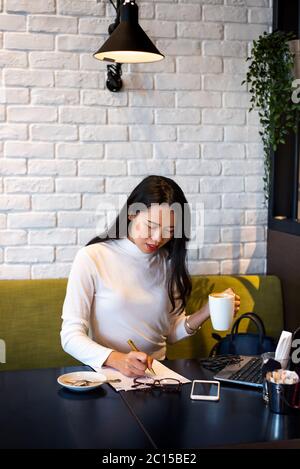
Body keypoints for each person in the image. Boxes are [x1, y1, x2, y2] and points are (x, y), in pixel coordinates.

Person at [60, 175, 240, 377]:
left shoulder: (169, 262)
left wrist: (207, 311)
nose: (157, 238)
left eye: (168, 231)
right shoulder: (92, 257)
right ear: (132, 214)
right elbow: (70, 336)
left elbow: (169, 333)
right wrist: (117, 359)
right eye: (151, 226)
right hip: (108, 376)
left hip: (159, 375)